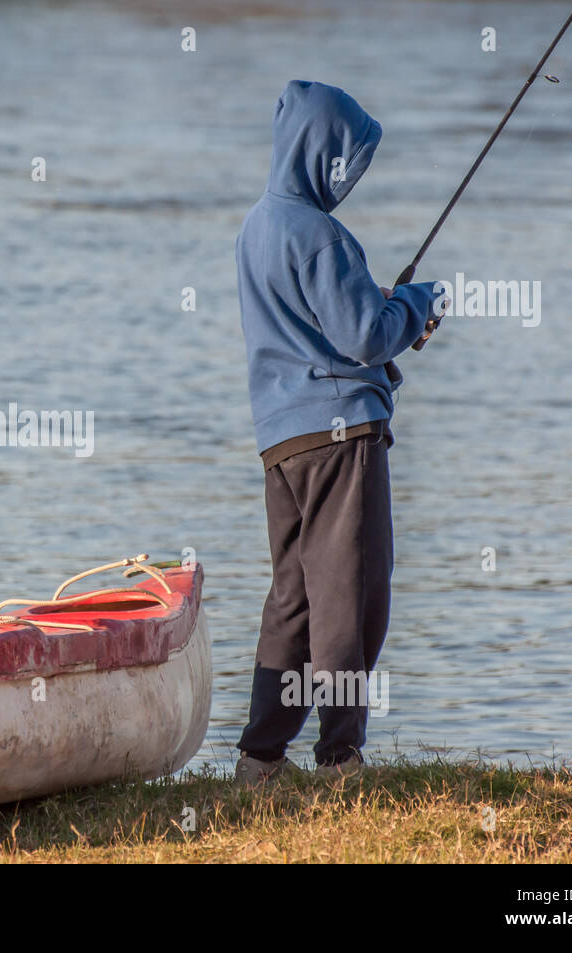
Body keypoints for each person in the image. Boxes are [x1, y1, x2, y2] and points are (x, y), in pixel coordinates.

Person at [233, 80, 444, 783]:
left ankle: (260, 758)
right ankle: (340, 759)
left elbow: (314, 323)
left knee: (294, 595)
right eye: (346, 162)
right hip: (340, 434)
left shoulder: (258, 226)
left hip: (282, 442)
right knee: (351, 594)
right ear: (322, 154)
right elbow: (364, 337)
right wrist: (415, 304)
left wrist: (378, 307)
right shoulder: (320, 232)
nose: (348, 179)